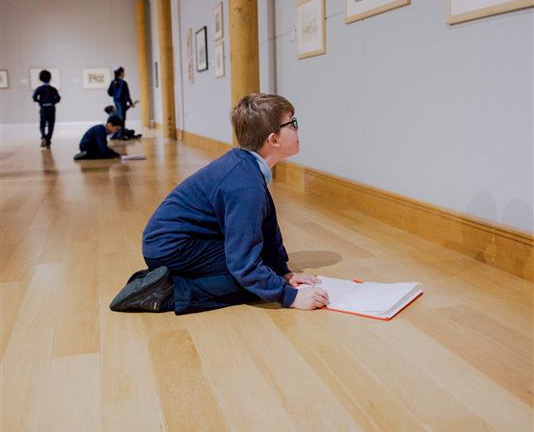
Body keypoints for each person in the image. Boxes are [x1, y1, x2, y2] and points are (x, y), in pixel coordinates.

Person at [109, 93, 329, 314]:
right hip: (169, 247)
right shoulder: (245, 184)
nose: (297, 129)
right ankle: (166, 293)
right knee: (253, 283)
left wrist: (283, 273)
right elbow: (244, 267)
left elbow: (267, 226)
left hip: (174, 240)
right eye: (292, 123)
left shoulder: (246, 166)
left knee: (264, 273)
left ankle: (164, 280)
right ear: (273, 139)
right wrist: (290, 296)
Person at [32, 69, 61, 148]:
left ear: (40, 78)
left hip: (43, 108)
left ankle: (43, 136)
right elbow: (58, 98)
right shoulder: (53, 89)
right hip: (51, 108)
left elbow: (34, 97)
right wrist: (53, 102)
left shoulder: (39, 89)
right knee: (51, 124)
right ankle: (48, 140)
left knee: (42, 124)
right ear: (50, 78)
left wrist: (39, 102)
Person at [107, 67, 136, 139]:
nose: (124, 74)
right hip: (122, 102)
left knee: (118, 118)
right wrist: (131, 103)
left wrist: (115, 93)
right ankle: (121, 135)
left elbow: (109, 93)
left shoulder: (113, 81)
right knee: (122, 119)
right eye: (123, 72)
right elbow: (127, 94)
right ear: (121, 73)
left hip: (116, 101)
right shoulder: (123, 82)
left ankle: (116, 135)